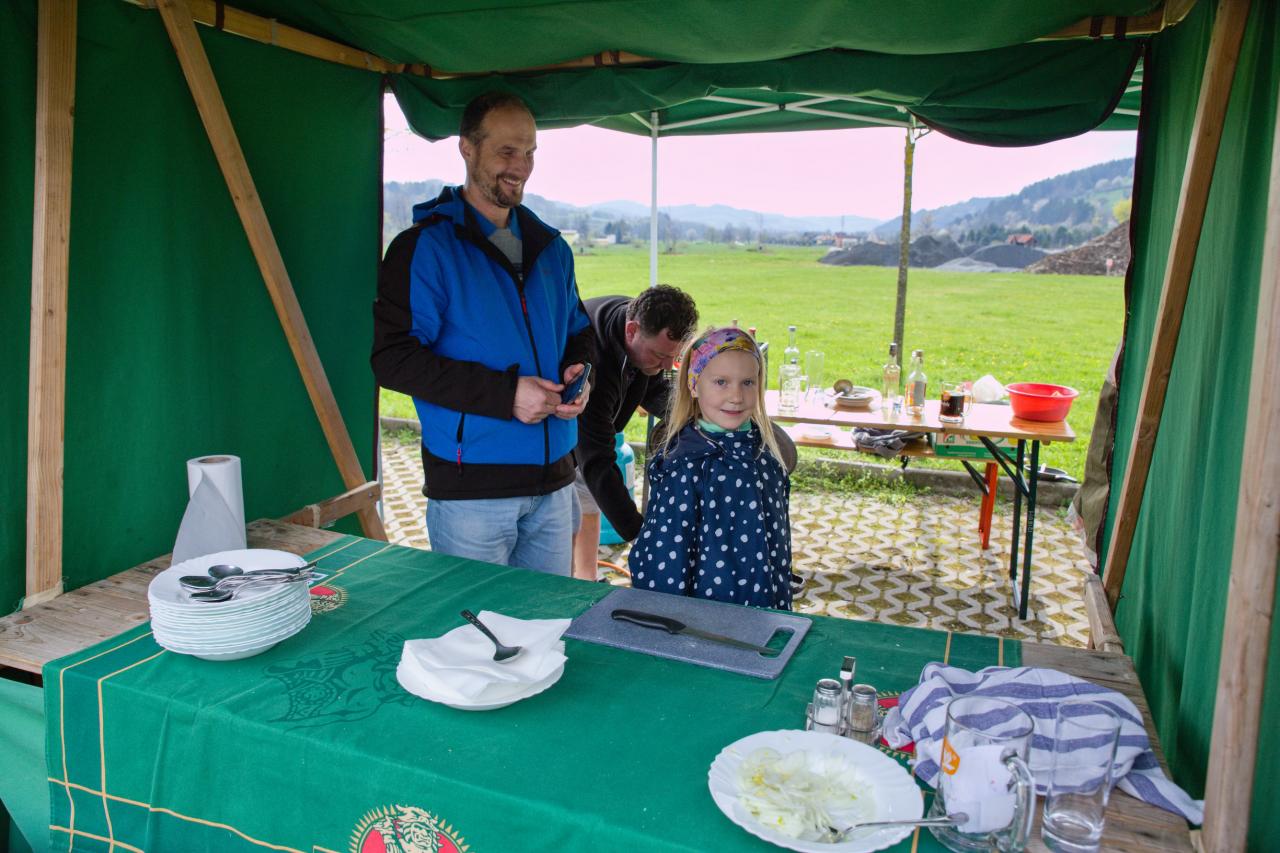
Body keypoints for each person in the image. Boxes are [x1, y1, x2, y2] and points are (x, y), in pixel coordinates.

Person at [371, 92, 593, 575]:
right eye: (507, 151)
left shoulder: (552, 249)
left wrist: (581, 374)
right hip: (472, 492)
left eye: (530, 152)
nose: (522, 167)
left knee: (548, 618)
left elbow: (578, 331)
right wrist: (506, 394)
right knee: (474, 623)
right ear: (467, 148)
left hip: (556, 483)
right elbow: (394, 359)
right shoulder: (424, 248)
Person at [628, 327, 793, 609]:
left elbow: (778, 545)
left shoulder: (766, 455)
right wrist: (666, 618)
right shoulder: (685, 466)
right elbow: (663, 563)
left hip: (764, 610)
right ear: (694, 385)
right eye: (721, 382)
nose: (736, 396)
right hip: (702, 620)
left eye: (748, 382)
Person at [572, 286, 699, 579]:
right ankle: (565, 585)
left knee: (587, 500)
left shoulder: (641, 327)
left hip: (591, 436)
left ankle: (587, 577)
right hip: (551, 436)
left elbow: (654, 390)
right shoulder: (596, 364)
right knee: (568, 513)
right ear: (631, 330)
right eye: (660, 355)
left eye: (673, 356)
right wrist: (641, 535)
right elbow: (597, 463)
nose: (667, 366)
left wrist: (699, 418)